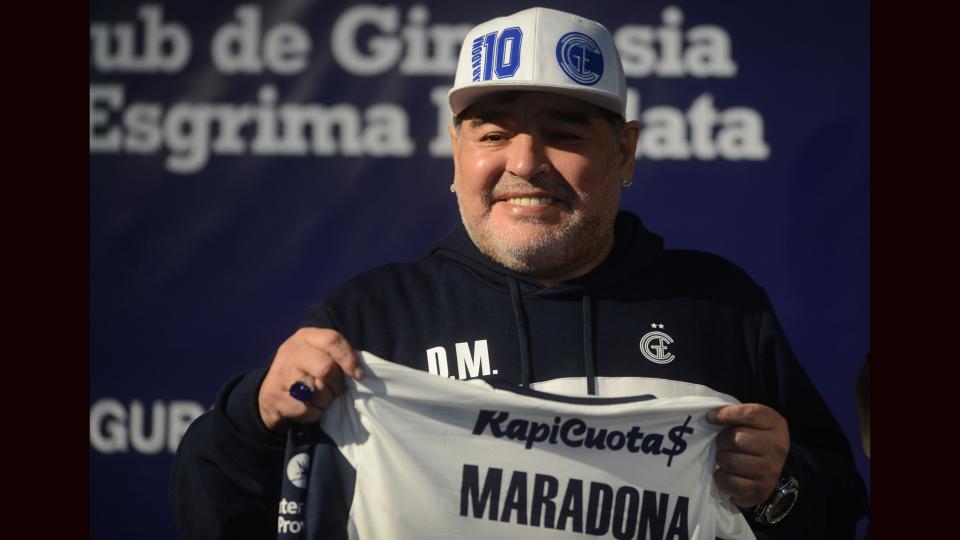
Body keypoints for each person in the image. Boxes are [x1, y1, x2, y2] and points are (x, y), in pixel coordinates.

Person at [170, 7, 867, 539]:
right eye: (494, 134)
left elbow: (836, 515)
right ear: (457, 152)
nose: (526, 163)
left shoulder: (722, 307)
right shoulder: (367, 324)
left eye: (564, 133)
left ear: (625, 152)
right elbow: (214, 520)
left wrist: (781, 489)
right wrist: (255, 417)